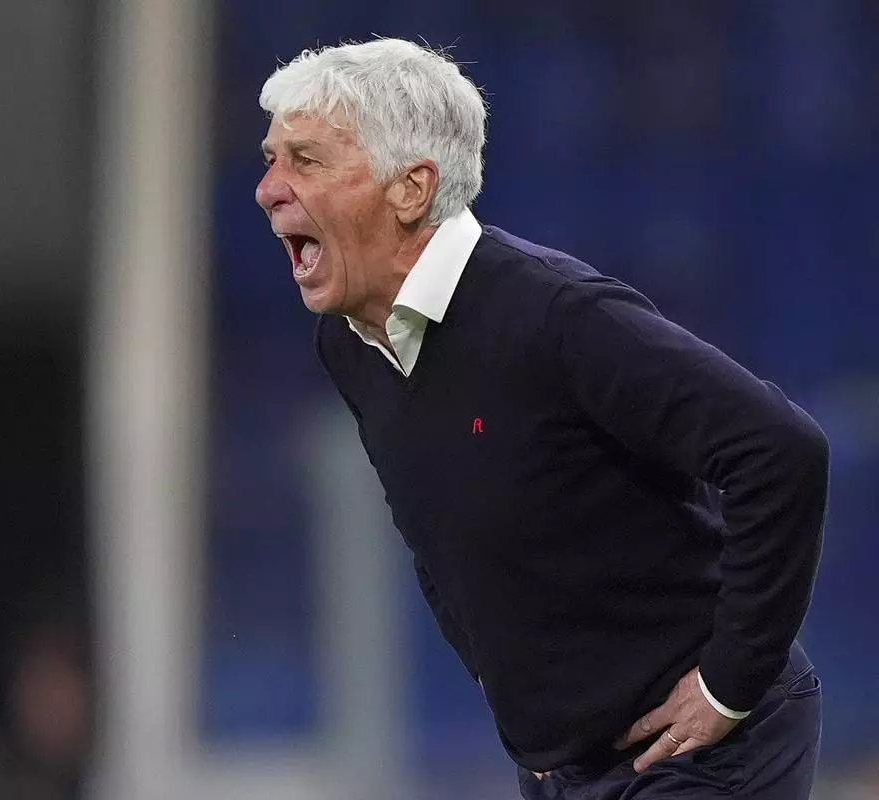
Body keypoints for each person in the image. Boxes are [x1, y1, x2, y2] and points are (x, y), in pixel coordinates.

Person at [254, 38, 828, 799]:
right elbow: (438, 534)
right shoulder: (350, 342)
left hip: (700, 752)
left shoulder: (557, 315)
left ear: (411, 189)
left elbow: (779, 450)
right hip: (563, 766)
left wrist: (730, 683)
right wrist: (524, 713)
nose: (268, 190)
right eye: (272, 160)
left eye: (306, 161)